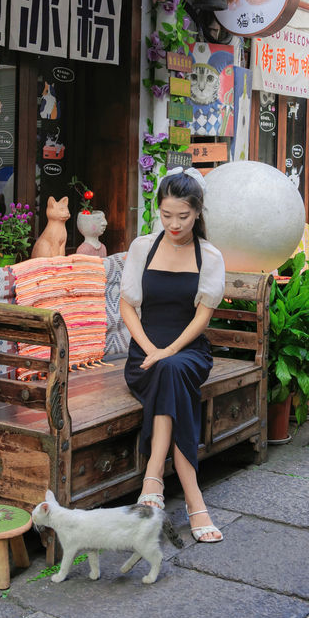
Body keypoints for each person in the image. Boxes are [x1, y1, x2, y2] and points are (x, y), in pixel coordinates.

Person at [120, 167, 225, 543]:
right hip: (144, 357)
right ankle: (195, 502)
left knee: (173, 369)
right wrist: (151, 350)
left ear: (197, 213)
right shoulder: (141, 247)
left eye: (183, 216)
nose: (174, 224)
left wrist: (169, 350)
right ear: (158, 210)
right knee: (168, 374)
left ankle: (153, 477)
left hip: (189, 352)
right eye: (166, 216)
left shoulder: (209, 255)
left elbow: (202, 317)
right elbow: (128, 307)